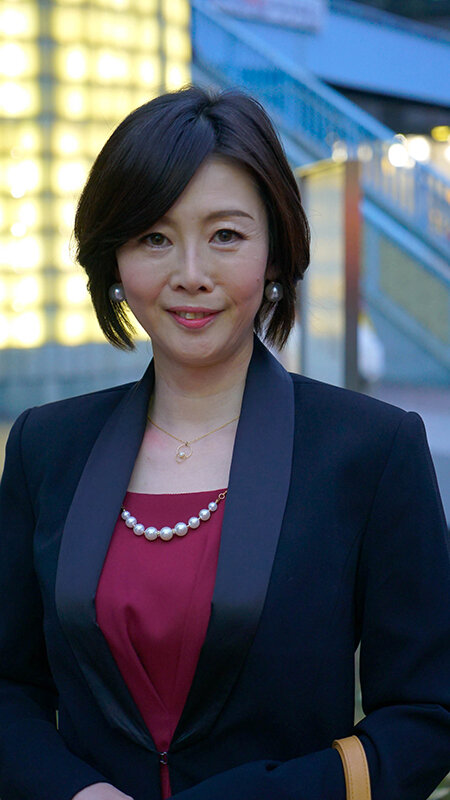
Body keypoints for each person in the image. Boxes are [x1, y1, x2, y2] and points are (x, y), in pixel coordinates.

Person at [0, 86, 449, 800]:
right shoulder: (45, 447)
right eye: (154, 237)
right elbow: (10, 688)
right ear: (115, 260)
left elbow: (426, 716)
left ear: (275, 253)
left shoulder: (373, 450)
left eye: (226, 236)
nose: (190, 274)